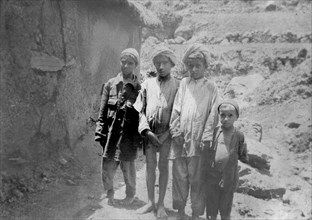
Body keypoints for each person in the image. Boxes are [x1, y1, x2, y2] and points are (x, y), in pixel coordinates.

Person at [169, 43, 219, 220]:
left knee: (197, 179)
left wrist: (206, 136)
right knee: (179, 176)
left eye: (198, 65)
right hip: (181, 140)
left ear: (205, 66)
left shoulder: (211, 87)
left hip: (198, 141)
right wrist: (175, 131)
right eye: (191, 66)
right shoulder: (184, 84)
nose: (194, 69)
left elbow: (213, 114)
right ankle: (180, 211)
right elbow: (176, 109)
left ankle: (196, 213)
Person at [134, 45, 179, 218]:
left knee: (163, 167)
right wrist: (146, 131)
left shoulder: (178, 86)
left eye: (164, 62)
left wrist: (168, 133)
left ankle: (161, 204)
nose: (161, 66)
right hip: (150, 134)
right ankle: (150, 202)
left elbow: (178, 111)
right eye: (158, 63)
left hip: (167, 134)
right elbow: (141, 110)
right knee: (150, 167)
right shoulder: (147, 84)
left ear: (171, 64)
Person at [94, 48, 141, 206]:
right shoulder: (110, 84)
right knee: (108, 163)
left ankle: (130, 194)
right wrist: (100, 131)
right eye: (123, 62)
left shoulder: (139, 88)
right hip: (111, 133)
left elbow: (142, 114)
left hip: (128, 136)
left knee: (128, 166)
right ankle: (109, 192)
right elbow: (102, 111)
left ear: (135, 65)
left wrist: (139, 138)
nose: (126, 66)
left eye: (130, 63)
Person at [206, 100, 248, 220]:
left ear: (236, 117)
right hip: (213, 176)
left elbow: (242, 155)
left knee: (225, 209)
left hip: (228, 178)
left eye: (230, 115)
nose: (226, 119)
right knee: (211, 207)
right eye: (222, 115)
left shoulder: (239, 135)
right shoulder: (215, 132)